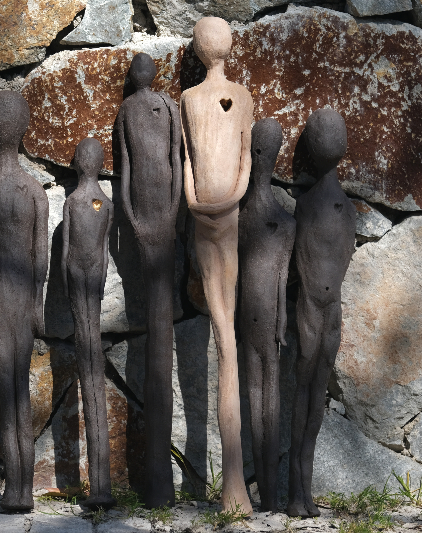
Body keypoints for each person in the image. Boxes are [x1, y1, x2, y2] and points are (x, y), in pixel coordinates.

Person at [180, 16, 254, 512]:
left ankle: (235, 484)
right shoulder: (193, 100)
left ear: (199, 49)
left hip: (222, 218)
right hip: (210, 219)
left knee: (226, 334)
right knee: (224, 333)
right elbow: (195, 156)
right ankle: (232, 484)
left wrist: (210, 202)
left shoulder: (236, 98)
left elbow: (238, 161)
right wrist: (200, 204)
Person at [0, 91, 49, 511]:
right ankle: (18, 489)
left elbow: (35, 257)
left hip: (9, 303)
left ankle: (20, 490)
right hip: (10, 304)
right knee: (15, 396)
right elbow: (35, 259)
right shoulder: (22, 190)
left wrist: (30, 306)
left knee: (13, 398)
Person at [115, 52, 182, 509]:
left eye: (146, 66)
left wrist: (173, 212)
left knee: (163, 315)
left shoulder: (168, 106)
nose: (141, 72)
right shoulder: (126, 110)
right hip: (142, 211)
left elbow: (176, 159)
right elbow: (125, 168)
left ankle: (162, 483)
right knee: (155, 313)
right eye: (136, 68)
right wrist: (134, 220)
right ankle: (155, 481)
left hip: (166, 213)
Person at [288, 108, 356, 518]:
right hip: (312, 308)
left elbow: (340, 257)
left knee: (315, 396)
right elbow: (302, 259)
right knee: (304, 389)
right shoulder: (308, 205)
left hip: (331, 311)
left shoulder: (343, 206)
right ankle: (296, 491)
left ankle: (305, 490)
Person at [238, 118, 295, 512]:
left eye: (267, 152)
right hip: (250, 318)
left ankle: (271, 495)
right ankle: (265, 492)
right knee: (258, 394)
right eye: (260, 150)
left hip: (269, 321)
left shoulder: (285, 222)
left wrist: (282, 319)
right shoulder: (242, 216)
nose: (263, 158)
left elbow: (283, 276)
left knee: (267, 396)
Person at [61, 137, 116, 510]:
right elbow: (79, 249)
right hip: (88, 277)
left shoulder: (92, 202)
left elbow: (94, 248)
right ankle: (99, 486)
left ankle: (102, 486)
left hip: (88, 278)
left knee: (89, 349)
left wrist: (76, 282)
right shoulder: (90, 202)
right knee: (89, 348)